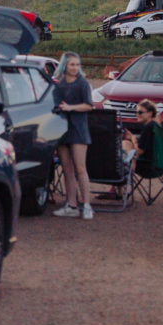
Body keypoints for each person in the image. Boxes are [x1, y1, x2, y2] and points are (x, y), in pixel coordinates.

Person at [52, 52, 95, 220]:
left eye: (77, 65)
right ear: (64, 66)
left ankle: (86, 205)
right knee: (67, 169)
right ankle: (71, 204)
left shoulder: (82, 84)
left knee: (80, 168)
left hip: (79, 130)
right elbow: (56, 105)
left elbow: (88, 105)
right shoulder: (59, 85)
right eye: (72, 64)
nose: (75, 68)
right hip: (63, 130)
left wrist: (70, 108)